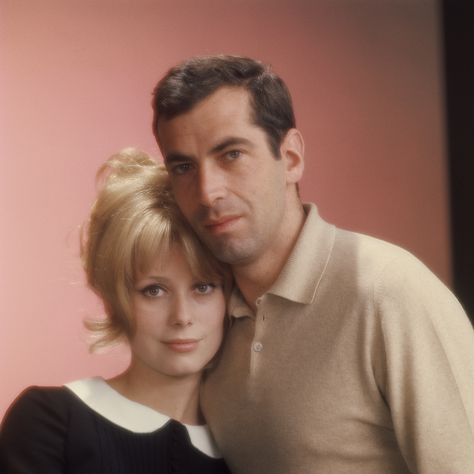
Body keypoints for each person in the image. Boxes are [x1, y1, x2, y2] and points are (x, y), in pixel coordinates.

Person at [151, 55, 474, 473]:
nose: (207, 192)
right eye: (183, 167)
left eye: (231, 155)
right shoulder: (203, 321)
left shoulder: (387, 291)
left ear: (290, 158)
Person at [0, 149, 231, 473]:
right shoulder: (51, 422)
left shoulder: (244, 452)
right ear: (113, 295)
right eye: (154, 290)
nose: (182, 316)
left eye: (203, 287)